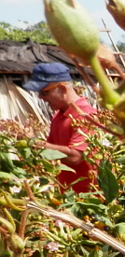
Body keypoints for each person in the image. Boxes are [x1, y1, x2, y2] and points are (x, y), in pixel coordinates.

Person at [22, 62, 98, 192]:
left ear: (62, 89)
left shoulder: (86, 115)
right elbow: (51, 152)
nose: (40, 97)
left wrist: (33, 142)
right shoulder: (58, 116)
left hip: (92, 198)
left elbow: (75, 157)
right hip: (70, 194)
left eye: (44, 92)